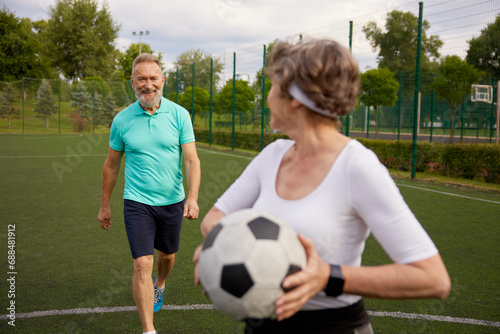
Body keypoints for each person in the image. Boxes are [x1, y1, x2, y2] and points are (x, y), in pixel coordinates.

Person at [193, 39, 450, 333]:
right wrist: (222, 247)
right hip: (262, 324)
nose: (267, 98)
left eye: (273, 87)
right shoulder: (272, 156)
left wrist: (328, 276)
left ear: (295, 98)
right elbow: (215, 217)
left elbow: (433, 279)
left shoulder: (357, 166)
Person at [98, 53, 201, 334]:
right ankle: (149, 330)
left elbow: (191, 159)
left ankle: (161, 284)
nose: (148, 84)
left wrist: (192, 197)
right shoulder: (121, 120)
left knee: (166, 257)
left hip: (172, 201)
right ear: (132, 82)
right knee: (143, 264)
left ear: (162, 80)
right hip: (137, 202)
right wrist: (104, 205)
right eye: (141, 79)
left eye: (153, 78)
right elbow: (111, 164)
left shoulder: (180, 115)